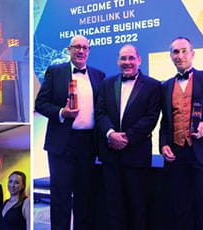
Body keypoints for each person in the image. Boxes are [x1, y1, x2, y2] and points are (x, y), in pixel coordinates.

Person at [35, 35, 105, 230]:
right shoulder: (55, 72)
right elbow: (40, 103)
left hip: (88, 143)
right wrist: (61, 112)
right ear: (69, 49)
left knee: (84, 195)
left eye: (85, 48)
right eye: (77, 47)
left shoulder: (99, 75)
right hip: (61, 144)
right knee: (60, 195)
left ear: (89, 51)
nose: (81, 51)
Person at [159, 37, 203, 230]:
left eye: (184, 51)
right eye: (175, 52)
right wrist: (163, 144)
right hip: (177, 154)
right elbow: (165, 121)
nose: (180, 56)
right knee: (181, 206)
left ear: (192, 54)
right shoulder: (165, 86)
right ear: (170, 56)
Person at [95, 44, 161, 230]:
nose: (127, 62)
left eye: (131, 58)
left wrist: (125, 139)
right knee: (114, 206)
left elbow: (151, 117)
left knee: (137, 206)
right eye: (123, 58)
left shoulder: (153, 85)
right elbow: (100, 112)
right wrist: (111, 134)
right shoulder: (107, 83)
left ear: (139, 60)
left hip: (137, 156)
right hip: (110, 156)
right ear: (117, 61)